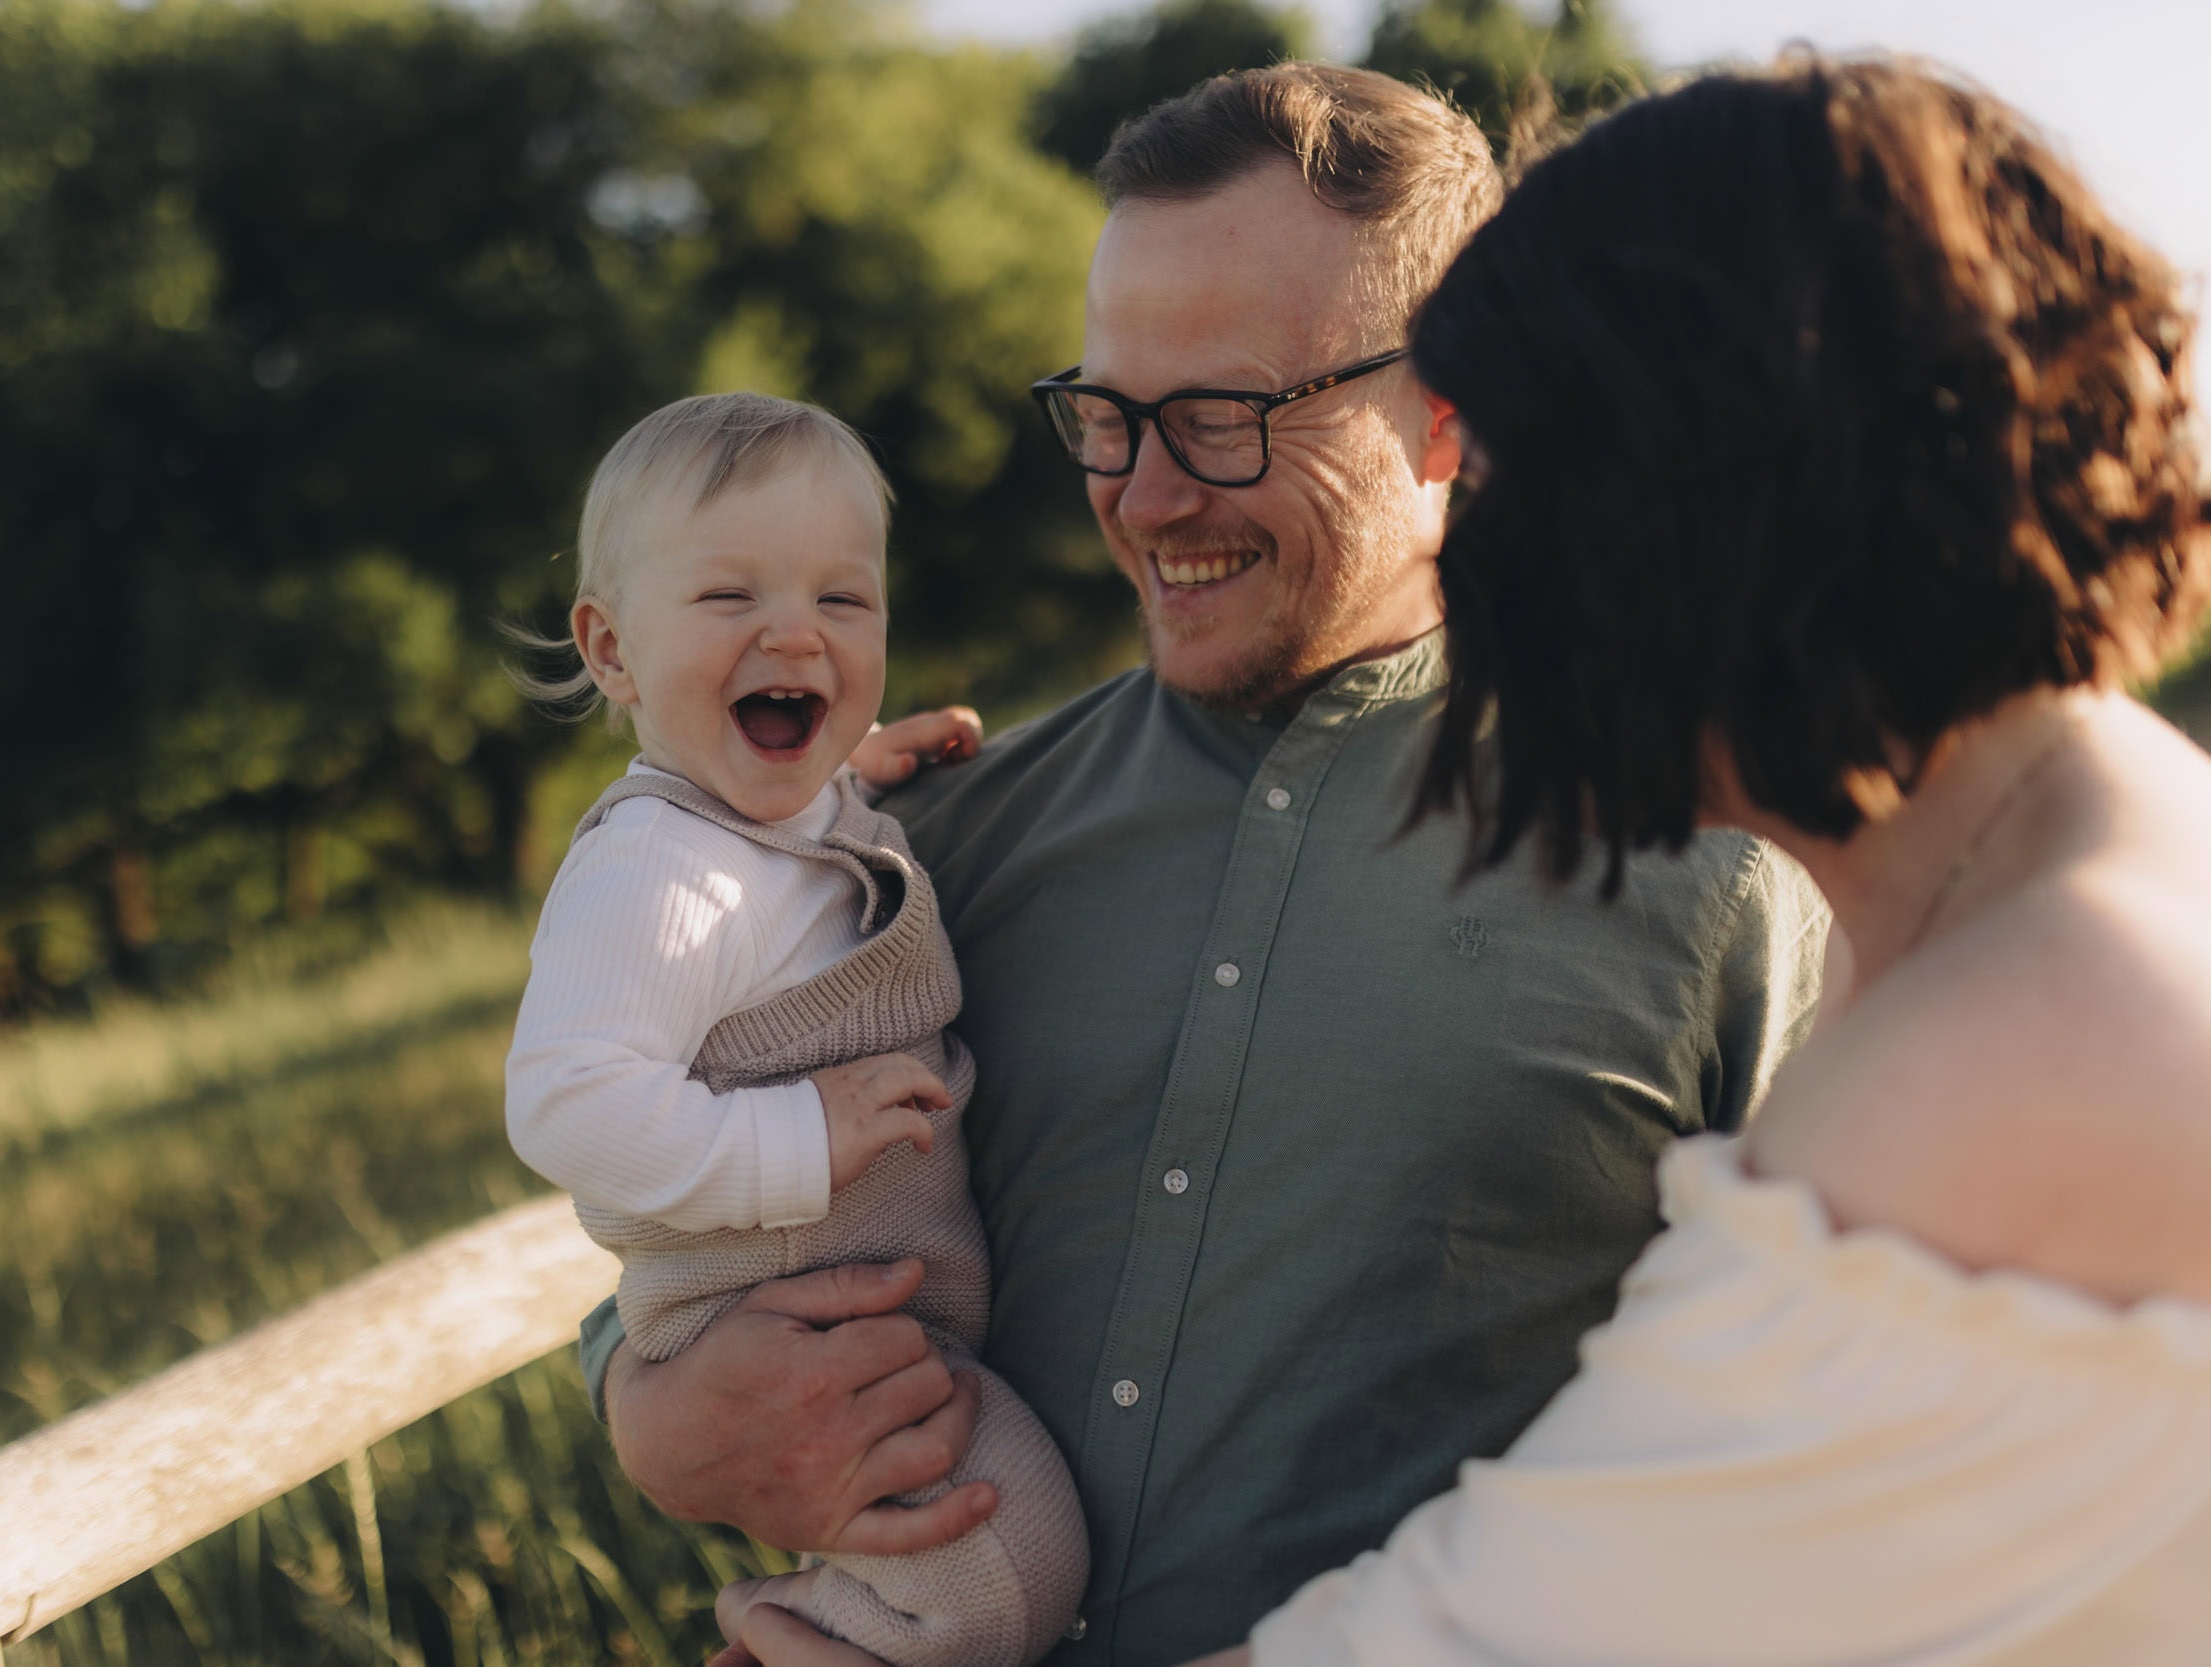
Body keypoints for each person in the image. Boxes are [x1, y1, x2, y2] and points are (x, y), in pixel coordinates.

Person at [582, 66, 1829, 1666]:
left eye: (1226, 417)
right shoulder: (924, 849)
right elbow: (689, 1231)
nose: (1147, 494)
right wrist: (651, 1407)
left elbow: (1814, 1459)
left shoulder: (1714, 863)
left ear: (1452, 412)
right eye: (1109, 415)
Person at [1198, 54, 2210, 1667]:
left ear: (1682, 505)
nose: (1472, 567)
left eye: (1505, 483)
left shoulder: (2012, 1047)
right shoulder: (2094, 855)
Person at [504, 391, 1086, 1666]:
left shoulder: (774, 819)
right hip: (774, 1323)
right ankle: (788, 1639)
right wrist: (794, 1139)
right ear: (611, 650)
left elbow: (782, 879)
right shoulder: (654, 869)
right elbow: (560, 1097)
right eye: (729, 597)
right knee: (1008, 1567)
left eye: (842, 597)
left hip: (881, 1311)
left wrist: (849, 774)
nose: (794, 631)